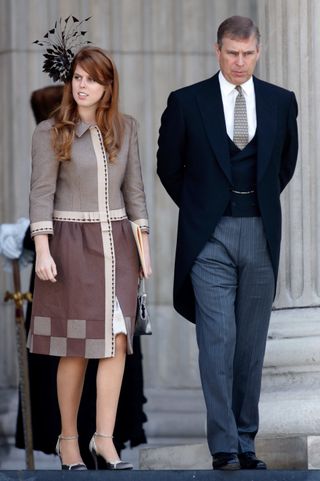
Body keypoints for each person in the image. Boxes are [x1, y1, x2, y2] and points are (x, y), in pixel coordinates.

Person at [157, 15, 298, 471]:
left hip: (259, 230)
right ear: (217, 50)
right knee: (217, 340)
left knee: (250, 345)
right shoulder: (186, 102)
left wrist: (253, 204)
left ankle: (245, 439)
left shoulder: (281, 102)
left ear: (258, 51)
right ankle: (224, 446)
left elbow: (285, 164)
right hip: (209, 238)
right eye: (232, 53)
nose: (240, 62)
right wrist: (202, 208)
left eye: (248, 53)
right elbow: (168, 167)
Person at [28, 46, 152, 471]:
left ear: (107, 86)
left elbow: (135, 194)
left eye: (92, 79)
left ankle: (104, 438)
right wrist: (42, 248)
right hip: (71, 247)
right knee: (76, 347)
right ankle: (68, 441)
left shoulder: (126, 128)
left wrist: (144, 248)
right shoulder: (50, 132)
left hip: (118, 248)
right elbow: (41, 195)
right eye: (78, 78)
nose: (82, 86)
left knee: (117, 342)